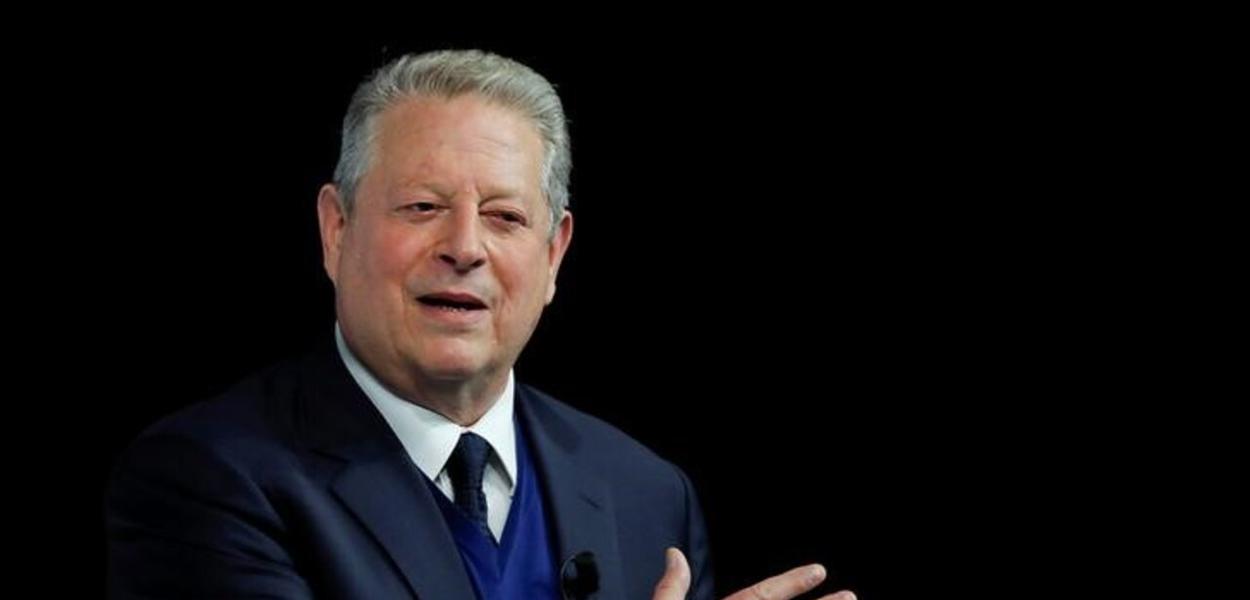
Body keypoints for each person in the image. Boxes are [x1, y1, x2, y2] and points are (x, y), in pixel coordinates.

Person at [105, 49, 855, 600]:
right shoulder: (208, 477)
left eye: (504, 217)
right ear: (337, 230)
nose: (464, 247)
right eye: (423, 207)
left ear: (554, 253)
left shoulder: (648, 494)